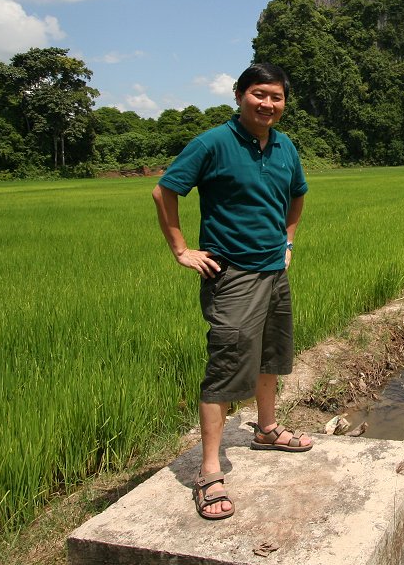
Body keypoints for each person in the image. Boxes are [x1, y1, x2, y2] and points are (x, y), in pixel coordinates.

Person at [151, 62, 313, 522]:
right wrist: (181, 249)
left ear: (284, 103)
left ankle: (266, 429)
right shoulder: (213, 142)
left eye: (276, 97)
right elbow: (165, 192)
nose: (267, 104)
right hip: (233, 274)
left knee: (271, 355)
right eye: (259, 94)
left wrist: (289, 240)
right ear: (240, 95)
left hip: (273, 271)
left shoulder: (284, 146)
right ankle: (208, 472)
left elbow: (297, 194)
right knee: (225, 367)